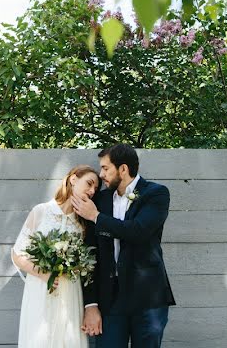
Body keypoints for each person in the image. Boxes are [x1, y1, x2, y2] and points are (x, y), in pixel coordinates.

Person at [71, 143, 176, 347]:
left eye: (105, 168)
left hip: (148, 298)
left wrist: (96, 217)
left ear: (123, 169)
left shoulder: (156, 194)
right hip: (110, 299)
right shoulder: (100, 200)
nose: (101, 174)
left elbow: (138, 231)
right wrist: (90, 304)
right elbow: (89, 254)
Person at [11, 164, 101, 347]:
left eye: (96, 189)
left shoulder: (84, 224)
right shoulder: (42, 211)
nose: (92, 191)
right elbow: (16, 254)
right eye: (89, 184)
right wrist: (43, 274)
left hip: (70, 292)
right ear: (73, 179)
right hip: (41, 288)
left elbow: (89, 266)